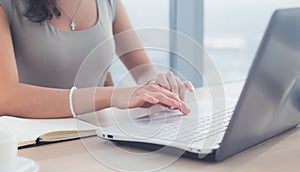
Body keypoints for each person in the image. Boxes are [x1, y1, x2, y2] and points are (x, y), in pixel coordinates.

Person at [0, 0, 194, 119]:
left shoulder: (107, 2)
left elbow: (143, 70)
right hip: (33, 144)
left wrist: (156, 84)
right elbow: (6, 97)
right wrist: (111, 95)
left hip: (96, 137)